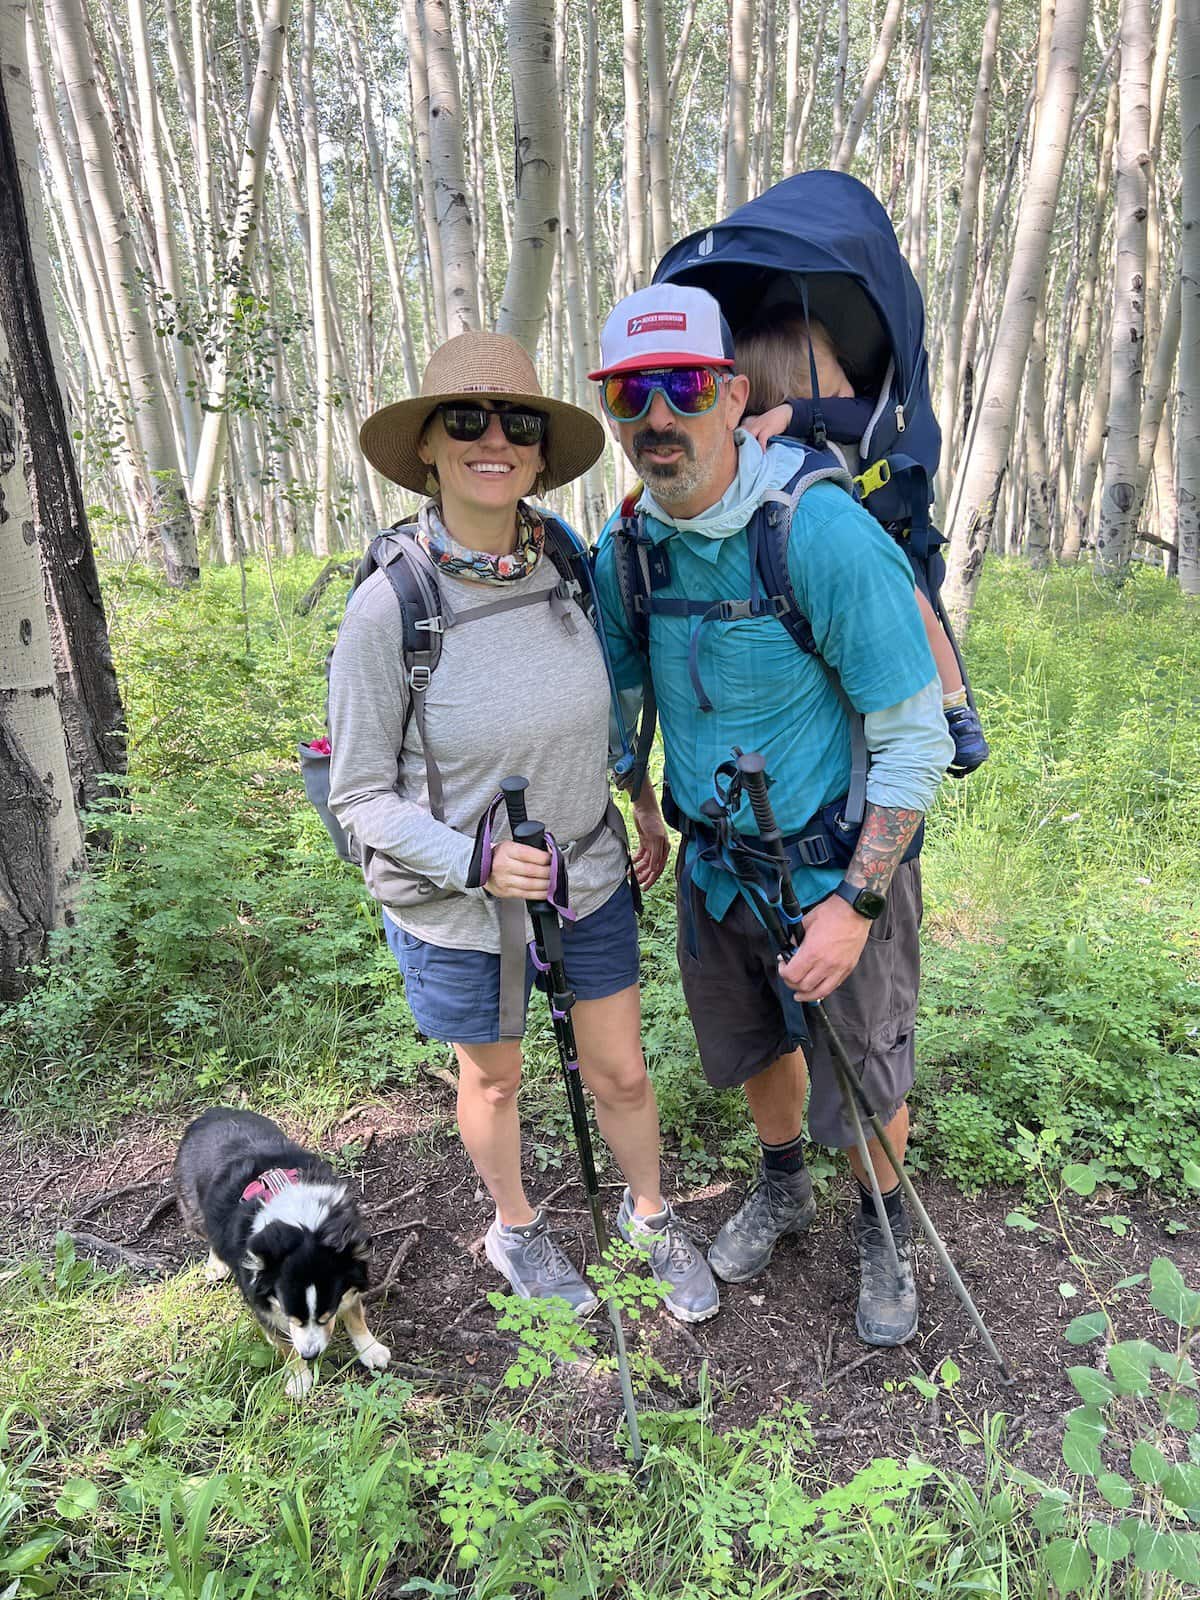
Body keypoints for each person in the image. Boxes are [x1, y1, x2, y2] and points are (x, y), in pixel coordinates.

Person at [328, 330, 718, 1324]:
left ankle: (649, 1213)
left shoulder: (568, 568)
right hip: (461, 901)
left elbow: (598, 705)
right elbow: (360, 796)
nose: (491, 439)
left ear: (543, 454)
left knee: (622, 1070)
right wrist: (474, 860)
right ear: (428, 446)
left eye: (516, 423)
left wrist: (634, 795)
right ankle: (515, 1228)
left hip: (585, 873)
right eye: (466, 420)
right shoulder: (391, 607)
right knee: (493, 1079)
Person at [590, 285, 955, 1346]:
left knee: (867, 1062)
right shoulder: (629, 548)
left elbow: (913, 734)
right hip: (715, 867)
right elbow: (620, 684)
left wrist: (855, 902)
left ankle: (884, 1228)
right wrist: (638, 804)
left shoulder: (818, 532)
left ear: (732, 392)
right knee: (753, 1042)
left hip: (837, 867)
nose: (658, 415)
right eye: (630, 394)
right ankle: (786, 1184)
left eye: (684, 386)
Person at [736, 309, 988, 776]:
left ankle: (957, 710)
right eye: (833, 388)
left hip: (869, 545)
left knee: (919, 607)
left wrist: (796, 411)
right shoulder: (754, 439)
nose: (847, 393)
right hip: (808, 562)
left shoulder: (822, 418)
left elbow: (861, 413)